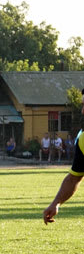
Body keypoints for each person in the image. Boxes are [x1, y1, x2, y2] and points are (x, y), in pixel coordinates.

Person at [43, 89, 84, 224]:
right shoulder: (83, 139)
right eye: (82, 106)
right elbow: (74, 178)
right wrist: (56, 202)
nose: (83, 111)